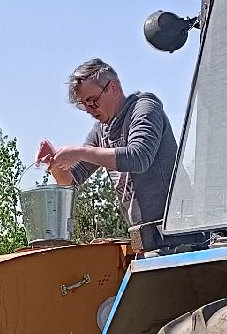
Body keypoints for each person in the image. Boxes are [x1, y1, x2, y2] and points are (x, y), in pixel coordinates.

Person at [36, 58, 178, 232]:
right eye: (84, 105)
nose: (90, 110)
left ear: (113, 87)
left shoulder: (144, 109)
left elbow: (139, 158)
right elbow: (71, 182)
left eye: (93, 100)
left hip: (175, 233)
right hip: (144, 236)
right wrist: (54, 162)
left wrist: (81, 153)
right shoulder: (100, 130)